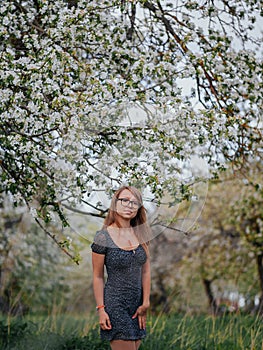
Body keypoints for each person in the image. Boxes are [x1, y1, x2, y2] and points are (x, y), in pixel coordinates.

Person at [91, 185, 151, 350]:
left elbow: (146, 272)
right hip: (115, 306)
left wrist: (145, 303)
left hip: (137, 308)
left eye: (134, 202)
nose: (129, 205)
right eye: (124, 200)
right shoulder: (103, 237)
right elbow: (97, 276)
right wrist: (101, 310)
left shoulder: (141, 234)